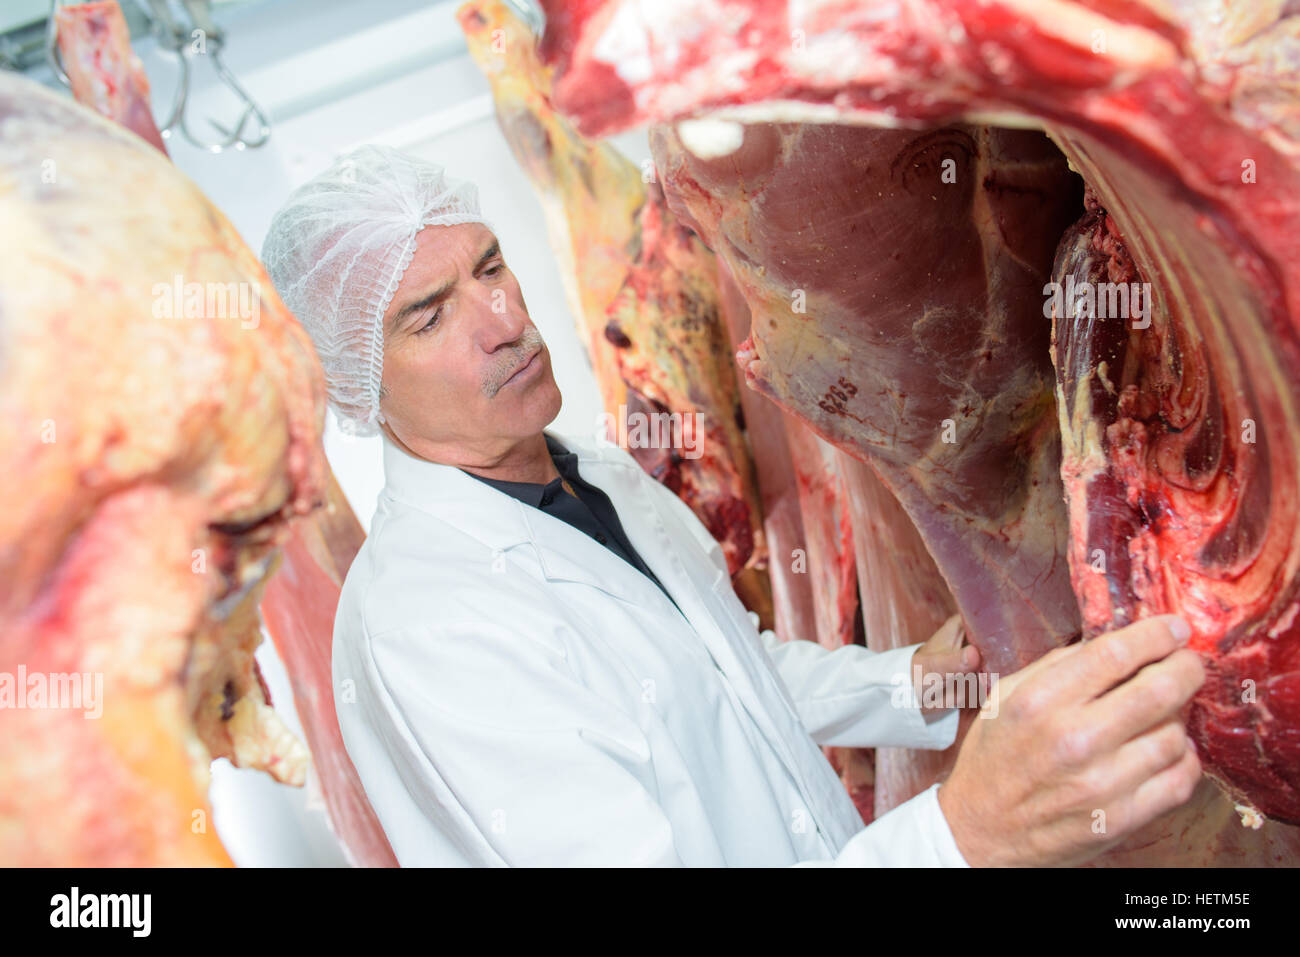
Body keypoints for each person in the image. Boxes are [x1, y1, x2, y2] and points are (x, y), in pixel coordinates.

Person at [261, 145, 1205, 867]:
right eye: (428, 315)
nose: (504, 320)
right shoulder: (427, 626)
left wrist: (913, 679)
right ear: (356, 384)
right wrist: (960, 833)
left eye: (491, 267)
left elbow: (721, 672)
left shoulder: (588, 475)